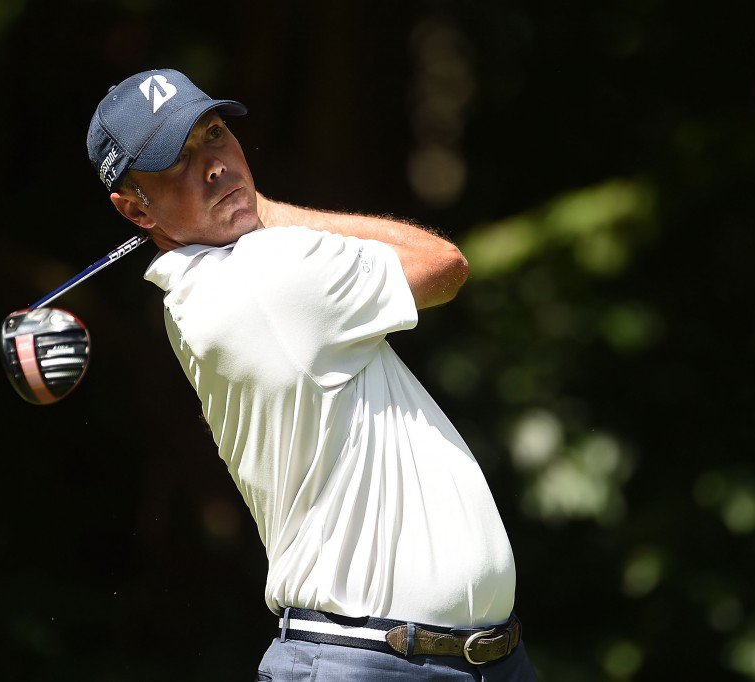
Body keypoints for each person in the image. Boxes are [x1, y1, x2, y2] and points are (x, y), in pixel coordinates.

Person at [87, 68, 538, 681]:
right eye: (175, 161)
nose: (214, 166)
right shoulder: (263, 276)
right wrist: (265, 207)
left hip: (456, 661)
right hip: (369, 664)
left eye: (214, 134)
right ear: (134, 209)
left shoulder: (213, 285)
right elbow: (443, 265)